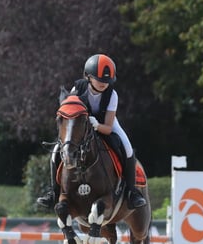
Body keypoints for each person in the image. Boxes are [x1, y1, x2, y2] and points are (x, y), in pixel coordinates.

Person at [37, 54, 147, 210]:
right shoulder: (77, 89)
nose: (104, 84)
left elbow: (108, 128)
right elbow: (70, 114)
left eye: (107, 81)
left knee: (127, 148)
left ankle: (132, 192)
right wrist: (84, 123)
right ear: (88, 77)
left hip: (104, 123)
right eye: (99, 79)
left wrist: (96, 125)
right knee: (57, 150)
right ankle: (53, 192)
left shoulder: (112, 95)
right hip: (80, 124)